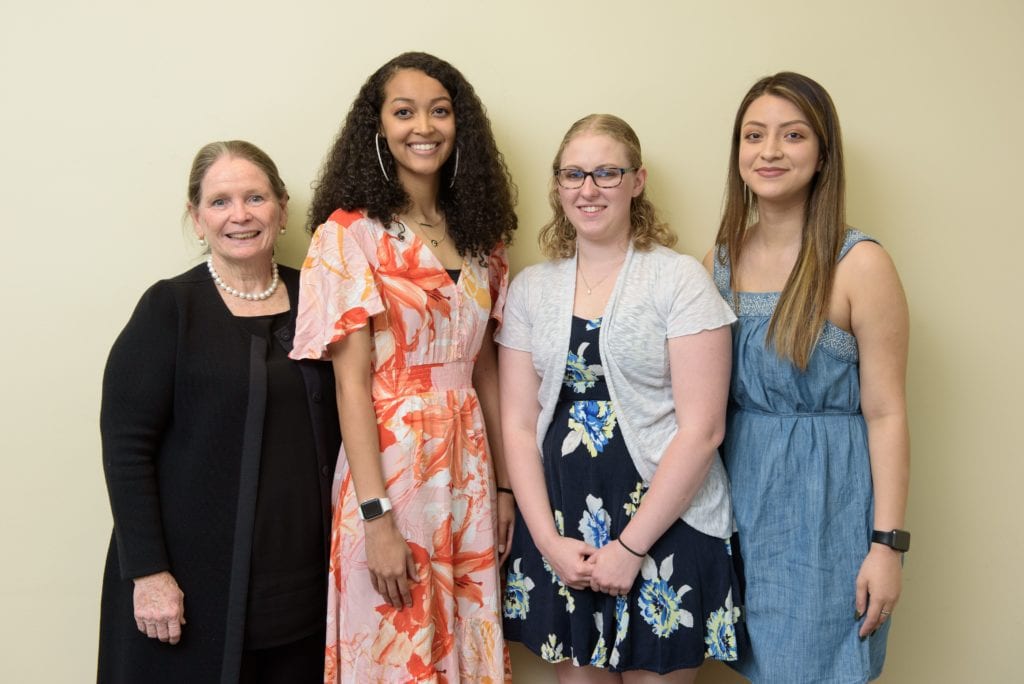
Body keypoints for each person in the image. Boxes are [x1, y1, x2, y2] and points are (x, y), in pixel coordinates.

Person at [288, 52, 518, 682]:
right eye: (405, 111)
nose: (425, 125)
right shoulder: (348, 235)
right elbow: (350, 386)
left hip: (468, 468)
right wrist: (376, 519)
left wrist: (501, 487)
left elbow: (487, 371)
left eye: (440, 111)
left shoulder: (482, 237)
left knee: (465, 642)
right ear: (379, 127)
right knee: (396, 647)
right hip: (390, 471)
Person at [499, 114, 746, 684]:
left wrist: (631, 548)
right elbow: (517, 422)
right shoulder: (532, 289)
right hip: (563, 528)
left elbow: (703, 429)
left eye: (607, 173)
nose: (589, 189)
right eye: (574, 174)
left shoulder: (679, 281)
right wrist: (547, 541)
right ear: (558, 186)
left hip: (666, 523)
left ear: (637, 181)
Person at [98, 140, 341, 683]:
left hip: (305, 581)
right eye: (220, 201)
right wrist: (149, 574)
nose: (240, 215)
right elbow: (125, 447)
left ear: (281, 209)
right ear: (197, 217)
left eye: (255, 197)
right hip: (196, 587)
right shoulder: (170, 308)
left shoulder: (320, 298)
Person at [704, 72, 911, 683]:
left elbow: (888, 413)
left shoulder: (859, 263)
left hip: (829, 507)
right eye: (754, 135)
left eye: (793, 135)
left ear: (823, 156)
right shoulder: (719, 258)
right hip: (741, 501)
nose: (770, 151)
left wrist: (887, 546)